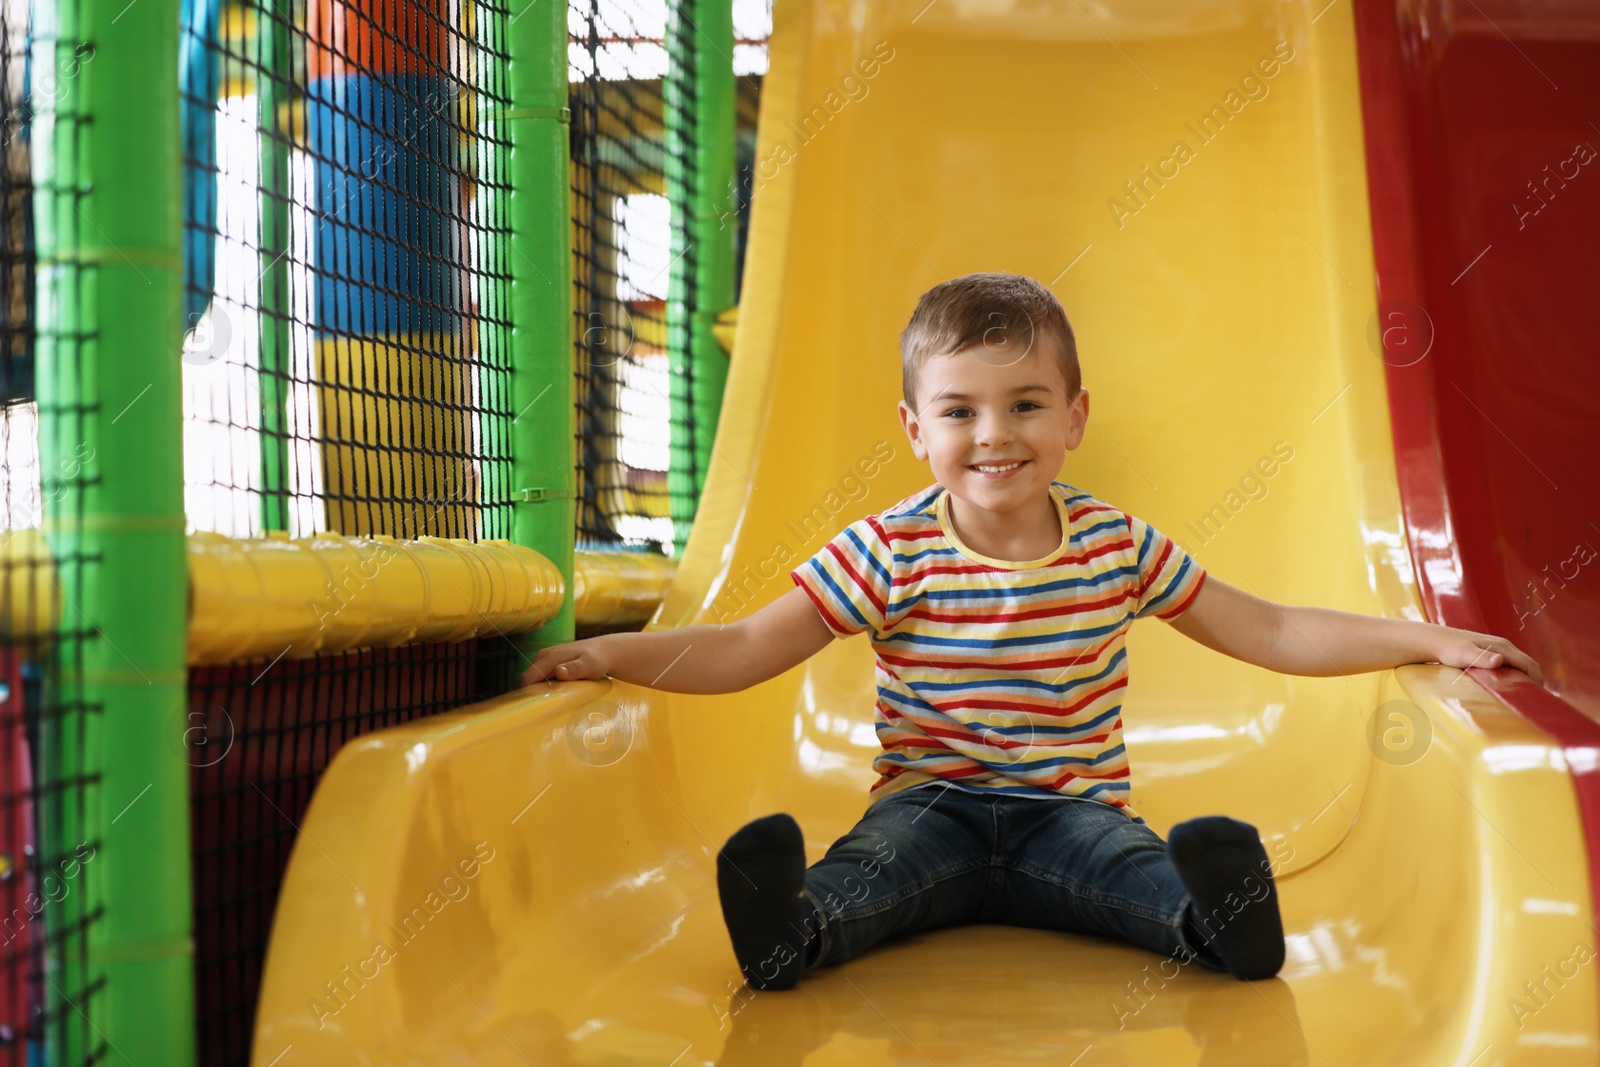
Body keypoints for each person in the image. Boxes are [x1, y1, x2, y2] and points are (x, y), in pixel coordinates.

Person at [521, 271, 1544, 993]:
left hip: (1071, 811)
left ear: (1074, 415)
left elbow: (1267, 626)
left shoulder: (1115, 544)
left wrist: (1422, 635)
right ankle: (791, 930)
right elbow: (748, 646)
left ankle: (1217, 920)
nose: (994, 434)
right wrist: (615, 653)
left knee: (1131, 874)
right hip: (932, 803)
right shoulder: (889, 550)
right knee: (871, 876)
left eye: (1023, 403)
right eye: (959, 411)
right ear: (916, 429)